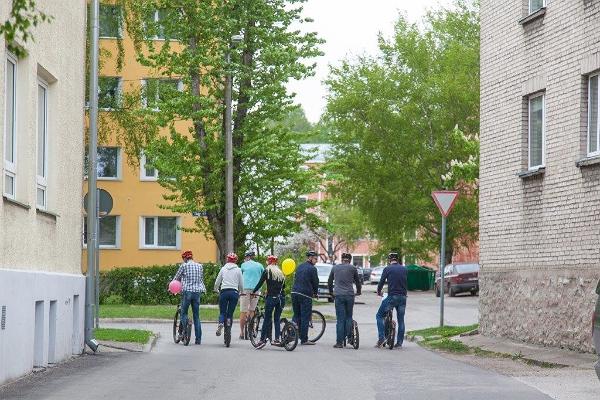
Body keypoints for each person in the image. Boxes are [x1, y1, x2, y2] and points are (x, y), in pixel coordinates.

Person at [328, 252, 362, 348]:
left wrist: (331, 292)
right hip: (349, 295)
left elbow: (329, 281)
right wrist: (359, 291)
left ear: (341, 259)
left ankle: (339, 342)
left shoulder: (335, 268)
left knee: (340, 319)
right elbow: (358, 282)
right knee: (348, 317)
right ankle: (350, 338)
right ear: (350, 260)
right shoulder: (353, 268)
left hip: (338, 295)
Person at [252, 255, 286, 349]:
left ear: (269, 262)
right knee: (277, 318)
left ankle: (262, 340)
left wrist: (253, 292)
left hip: (271, 298)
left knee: (267, 319)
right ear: (276, 262)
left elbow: (260, 283)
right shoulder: (280, 273)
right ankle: (277, 339)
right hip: (281, 299)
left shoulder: (267, 271)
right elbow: (283, 287)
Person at [173, 250, 206, 345]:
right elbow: (201, 279)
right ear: (192, 257)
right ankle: (198, 339)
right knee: (197, 316)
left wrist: (171, 288)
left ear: (185, 258)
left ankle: (185, 332)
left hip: (187, 292)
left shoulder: (184, 266)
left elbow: (176, 278)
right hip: (197, 292)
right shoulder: (200, 266)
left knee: (183, 313)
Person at [375, 252, 408, 348]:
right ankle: (399, 343)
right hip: (403, 297)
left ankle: (382, 338)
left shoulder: (387, 269)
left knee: (379, 315)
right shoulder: (404, 269)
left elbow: (381, 282)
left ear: (389, 260)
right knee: (401, 320)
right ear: (397, 259)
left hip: (392, 297)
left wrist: (378, 291)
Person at [291, 250, 319, 345]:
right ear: (310, 258)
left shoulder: (299, 266)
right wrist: (315, 293)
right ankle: (304, 339)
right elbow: (315, 282)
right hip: (305, 294)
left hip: (294, 292)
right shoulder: (312, 269)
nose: (316, 261)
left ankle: (291, 335)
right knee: (305, 317)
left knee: (296, 315)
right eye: (315, 259)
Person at [214, 253, 243, 337]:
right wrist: (241, 292)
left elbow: (217, 282)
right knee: (230, 313)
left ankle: (220, 323)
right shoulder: (238, 270)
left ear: (227, 260)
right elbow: (241, 283)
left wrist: (216, 289)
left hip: (224, 292)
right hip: (234, 293)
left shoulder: (223, 269)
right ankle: (228, 328)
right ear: (235, 261)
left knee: (222, 312)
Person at [239, 250, 264, 339]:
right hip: (256, 289)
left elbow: (240, 275)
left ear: (247, 257)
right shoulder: (260, 265)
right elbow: (263, 276)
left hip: (245, 289)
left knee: (243, 311)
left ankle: (242, 333)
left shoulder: (243, 265)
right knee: (252, 310)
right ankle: (252, 330)